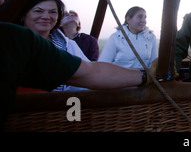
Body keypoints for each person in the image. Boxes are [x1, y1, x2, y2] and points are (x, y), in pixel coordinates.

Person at [0, 22, 152, 128]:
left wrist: (148, 76)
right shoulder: (15, 38)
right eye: (38, 11)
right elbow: (93, 71)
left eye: (52, 12)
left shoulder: (17, 40)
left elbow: (90, 72)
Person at [17, 0, 90, 91]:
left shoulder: (69, 45)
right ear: (23, 15)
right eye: (38, 11)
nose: (46, 16)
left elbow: (89, 75)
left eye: (53, 12)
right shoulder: (11, 43)